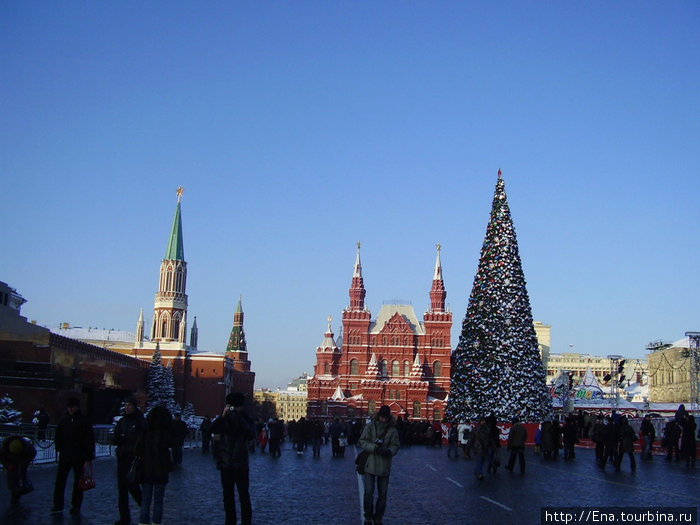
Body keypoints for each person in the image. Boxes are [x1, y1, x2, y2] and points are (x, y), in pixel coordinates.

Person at [210, 392, 256, 525]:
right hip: (226, 463)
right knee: (227, 496)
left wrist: (238, 418)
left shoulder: (246, 419)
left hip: (240, 464)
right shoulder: (224, 419)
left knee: (243, 496)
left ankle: (246, 522)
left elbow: (251, 434)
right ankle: (230, 521)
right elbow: (211, 430)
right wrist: (222, 416)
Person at [51, 397, 95, 516]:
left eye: (72, 407)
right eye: (69, 407)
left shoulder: (83, 421)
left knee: (77, 483)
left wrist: (88, 454)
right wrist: (59, 447)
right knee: (60, 481)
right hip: (66, 455)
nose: (70, 409)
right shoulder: (64, 420)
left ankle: (75, 506)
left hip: (79, 457)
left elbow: (89, 439)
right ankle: (58, 504)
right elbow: (58, 435)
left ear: (77, 407)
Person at [359, 405, 400, 525]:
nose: (383, 420)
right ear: (379, 415)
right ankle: (367, 517)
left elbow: (396, 445)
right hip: (370, 464)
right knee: (368, 492)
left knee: (383, 494)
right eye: (382, 417)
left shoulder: (392, 430)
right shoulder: (370, 426)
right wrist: (375, 449)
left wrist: (389, 451)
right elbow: (363, 441)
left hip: (384, 466)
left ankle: (378, 518)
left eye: (385, 418)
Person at [136, 405, 174, 525]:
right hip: (161, 470)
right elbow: (172, 442)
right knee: (158, 500)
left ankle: (143, 521)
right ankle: (156, 522)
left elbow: (137, 449)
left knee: (145, 499)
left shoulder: (145, 433)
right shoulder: (165, 434)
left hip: (146, 469)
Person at [112, 396, 145, 525]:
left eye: (129, 405)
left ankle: (145, 508)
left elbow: (142, 439)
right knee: (122, 489)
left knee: (133, 486)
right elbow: (115, 437)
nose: (127, 407)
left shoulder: (140, 421)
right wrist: (117, 440)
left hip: (133, 458)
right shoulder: (122, 421)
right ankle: (124, 517)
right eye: (125, 405)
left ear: (134, 406)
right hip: (122, 458)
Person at [0, 435, 36, 505]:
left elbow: (32, 453)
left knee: (23, 474)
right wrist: (8, 465)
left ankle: (24, 488)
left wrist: (25, 461)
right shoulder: (4, 449)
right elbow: (3, 459)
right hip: (11, 463)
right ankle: (15, 491)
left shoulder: (28, 447)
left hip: (22, 462)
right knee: (12, 477)